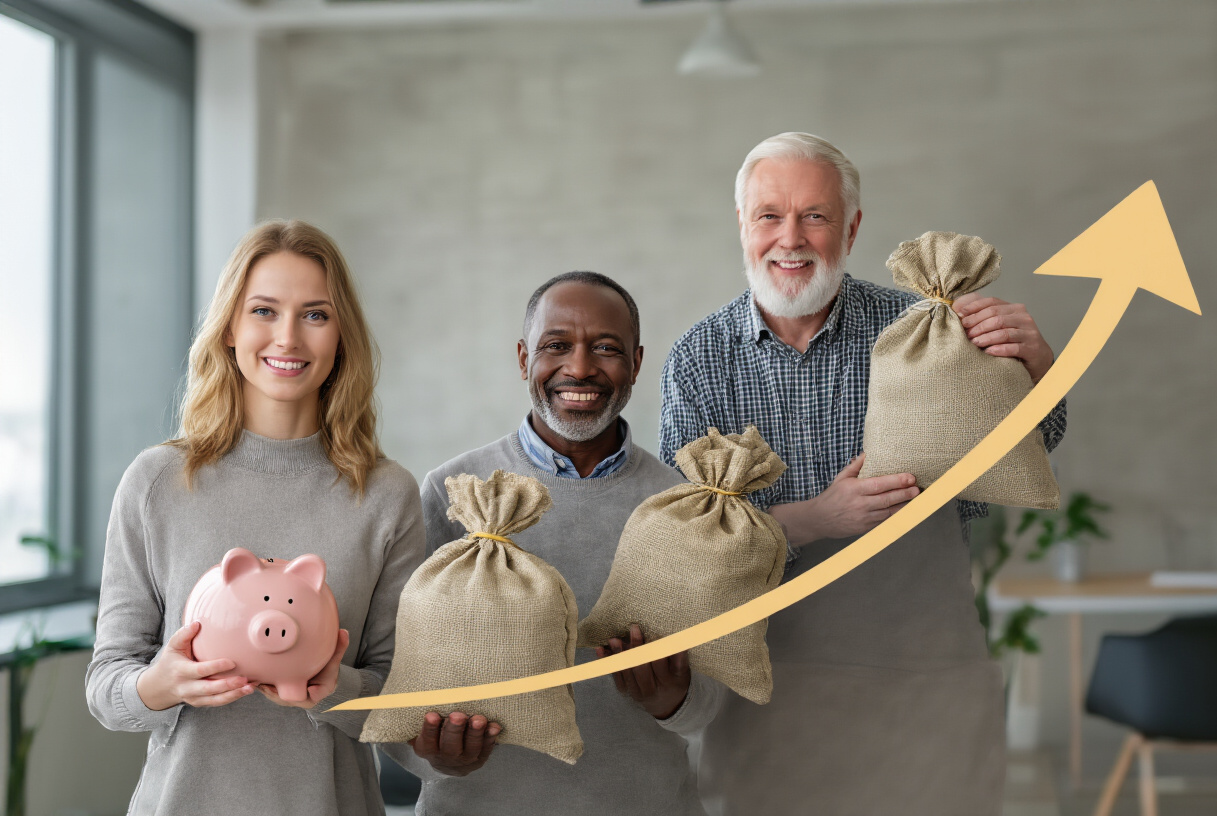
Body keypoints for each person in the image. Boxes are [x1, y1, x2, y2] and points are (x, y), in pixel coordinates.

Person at [659, 132, 1068, 815]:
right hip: (770, 686)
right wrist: (818, 518)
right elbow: (690, 546)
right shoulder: (700, 360)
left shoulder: (922, 327)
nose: (791, 238)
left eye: (814, 215)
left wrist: (1038, 365)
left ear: (850, 227)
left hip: (928, 674)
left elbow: (1032, 443)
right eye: (769, 215)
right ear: (742, 225)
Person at [85, 220, 426, 815]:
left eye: (315, 315)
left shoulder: (385, 494)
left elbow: (408, 705)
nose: (288, 338)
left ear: (341, 335)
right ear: (230, 329)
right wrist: (160, 686)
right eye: (264, 311)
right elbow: (106, 686)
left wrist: (331, 688)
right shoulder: (156, 482)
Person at [383, 271, 723, 816]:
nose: (581, 368)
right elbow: (395, 673)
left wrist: (673, 700)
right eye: (556, 346)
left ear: (636, 362)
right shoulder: (455, 494)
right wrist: (432, 756)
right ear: (524, 359)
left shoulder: (685, 505)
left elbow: (713, 698)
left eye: (606, 348)